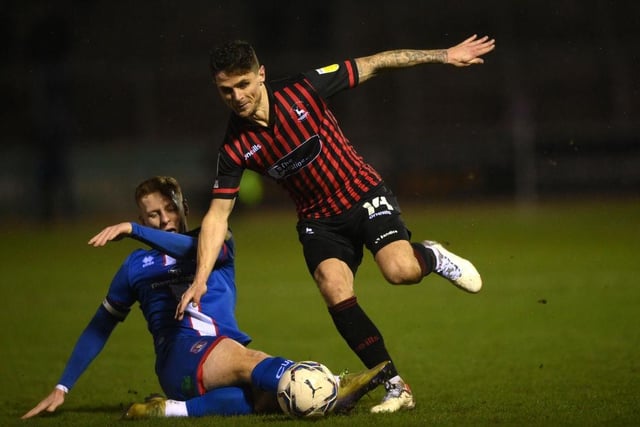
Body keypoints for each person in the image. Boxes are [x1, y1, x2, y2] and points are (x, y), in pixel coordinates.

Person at [176, 35, 495, 413]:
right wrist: (199, 279)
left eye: (243, 84)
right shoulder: (233, 147)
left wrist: (444, 55)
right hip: (318, 221)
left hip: (362, 194)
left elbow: (375, 62)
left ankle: (431, 256)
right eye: (225, 90)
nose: (237, 96)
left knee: (400, 271)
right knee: (334, 288)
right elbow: (217, 216)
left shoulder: (304, 88)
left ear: (261, 74)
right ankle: (396, 386)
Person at [21, 176, 389, 420]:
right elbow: (101, 325)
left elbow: (190, 247)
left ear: (183, 208)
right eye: (151, 215)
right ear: (142, 217)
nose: (164, 220)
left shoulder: (214, 243)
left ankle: (171, 410)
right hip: (184, 354)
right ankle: (332, 386)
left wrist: (133, 230)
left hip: (200, 366)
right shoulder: (135, 266)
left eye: (169, 210)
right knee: (252, 362)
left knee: (264, 400)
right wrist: (62, 386)